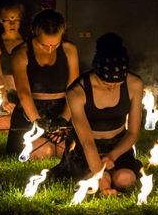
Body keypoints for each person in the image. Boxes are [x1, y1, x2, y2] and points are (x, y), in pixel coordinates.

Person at [50, 32, 144, 196]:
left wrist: (112, 156)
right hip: (86, 149)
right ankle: (101, 178)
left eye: (118, 83)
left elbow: (133, 132)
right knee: (99, 180)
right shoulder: (77, 91)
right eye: (107, 83)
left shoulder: (134, 84)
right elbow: (87, 142)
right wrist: (102, 182)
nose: (112, 87)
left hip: (118, 147)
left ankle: (111, 174)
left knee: (125, 178)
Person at [6, 9, 79, 159]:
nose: (50, 49)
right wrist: (38, 121)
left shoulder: (69, 50)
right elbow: (24, 93)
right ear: (35, 33)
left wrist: (64, 119)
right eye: (45, 45)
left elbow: (74, 89)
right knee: (45, 151)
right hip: (30, 113)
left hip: (62, 110)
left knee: (64, 150)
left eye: (55, 45)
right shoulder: (21, 53)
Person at [0, 3, 26, 130]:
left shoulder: (29, 43)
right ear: (1, 20)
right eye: (7, 20)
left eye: (15, 20)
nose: (12, 24)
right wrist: (4, 99)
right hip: (6, 93)